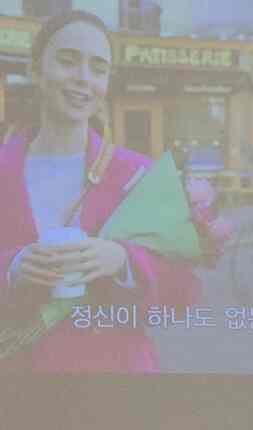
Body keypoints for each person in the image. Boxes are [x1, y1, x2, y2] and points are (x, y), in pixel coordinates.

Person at [0, 10, 200, 373]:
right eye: (67, 61)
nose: (83, 78)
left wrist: (124, 261)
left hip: (116, 377)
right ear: (35, 70)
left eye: (98, 68)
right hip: (19, 378)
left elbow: (183, 292)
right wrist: (12, 268)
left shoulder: (139, 174)